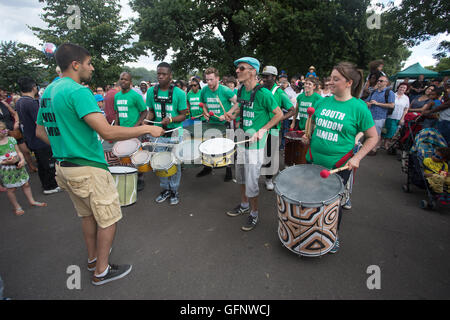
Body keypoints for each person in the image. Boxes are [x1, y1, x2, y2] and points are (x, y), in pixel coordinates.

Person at [35, 43, 164, 286]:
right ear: (75, 65)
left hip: (64, 168)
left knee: (87, 216)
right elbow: (107, 133)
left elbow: (40, 131)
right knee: (109, 218)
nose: (92, 68)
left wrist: (66, 146)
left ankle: (94, 259)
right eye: (89, 63)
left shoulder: (49, 91)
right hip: (88, 168)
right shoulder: (78, 91)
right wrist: (148, 128)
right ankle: (101, 272)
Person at [305, 62, 378, 253]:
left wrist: (358, 158)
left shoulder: (359, 107)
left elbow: (373, 137)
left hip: (337, 166)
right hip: (312, 161)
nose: (330, 82)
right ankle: (309, 232)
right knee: (310, 199)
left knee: (331, 206)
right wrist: (308, 136)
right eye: (330, 78)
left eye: (336, 79)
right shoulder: (322, 102)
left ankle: (332, 236)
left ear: (349, 83)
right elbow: (315, 127)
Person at [225, 57, 283, 231]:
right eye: (237, 68)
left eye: (241, 68)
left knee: (252, 182)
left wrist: (263, 129)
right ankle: (244, 205)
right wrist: (231, 114)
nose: (237, 71)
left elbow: (279, 114)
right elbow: (242, 108)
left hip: (256, 147)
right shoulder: (242, 90)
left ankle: (254, 213)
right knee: (241, 177)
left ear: (252, 71)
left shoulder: (264, 93)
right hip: (242, 140)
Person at [146, 62, 188, 205]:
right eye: (159, 73)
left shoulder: (180, 93)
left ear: (170, 76)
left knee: (174, 164)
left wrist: (170, 119)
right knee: (160, 162)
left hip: (175, 133)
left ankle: (174, 190)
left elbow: (184, 115)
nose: (160, 76)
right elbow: (151, 111)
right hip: (158, 133)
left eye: (164, 74)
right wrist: (146, 121)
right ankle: (165, 189)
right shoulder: (151, 91)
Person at [16, 77, 60, 195]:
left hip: (31, 138)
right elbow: (40, 121)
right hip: (40, 139)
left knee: (41, 163)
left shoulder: (20, 101)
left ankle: (47, 184)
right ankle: (50, 186)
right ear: (33, 87)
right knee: (48, 164)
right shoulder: (31, 103)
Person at [197, 67, 239, 181]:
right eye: (207, 80)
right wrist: (205, 113)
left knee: (226, 148)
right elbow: (203, 104)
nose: (209, 82)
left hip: (225, 124)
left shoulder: (225, 90)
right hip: (211, 123)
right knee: (208, 146)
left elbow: (238, 102)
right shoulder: (204, 90)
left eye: (211, 79)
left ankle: (228, 171)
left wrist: (227, 114)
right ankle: (207, 167)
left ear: (217, 78)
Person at [0, 121, 47, 215]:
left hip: (18, 166)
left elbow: (19, 152)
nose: (5, 131)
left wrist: (22, 160)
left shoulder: (11, 140)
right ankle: (17, 206)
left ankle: (32, 201)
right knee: (11, 189)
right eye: (2, 130)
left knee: (26, 184)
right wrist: (6, 162)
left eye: (5, 129)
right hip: (7, 170)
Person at [260, 65, 295, 190]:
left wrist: (280, 118)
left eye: (267, 76)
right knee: (256, 153)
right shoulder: (259, 90)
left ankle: (269, 179)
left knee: (269, 154)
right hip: (258, 127)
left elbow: (292, 110)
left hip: (273, 129)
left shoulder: (280, 93)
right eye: (263, 76)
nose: (264, 79)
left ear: (274, 77)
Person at [114, 71, 148, 190]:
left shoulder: (135, 96)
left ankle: (140, 178)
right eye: (121, 79)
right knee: (124, 154)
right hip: (121, 131)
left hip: (134, 131)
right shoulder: (117, 96)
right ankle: (128, 175)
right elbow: (117, 112)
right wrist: (116, 125)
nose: (123, 81)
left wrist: (136, 125)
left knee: (136, 155)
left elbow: (144, 112)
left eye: (126, 79)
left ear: (130, 82)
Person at [365, 75, 395, 155]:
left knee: (377, 133)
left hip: (380, 116)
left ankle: (374, 149)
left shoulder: (389, 93)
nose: (378, 82)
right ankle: (368, 147)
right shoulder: (374, 92)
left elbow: (392, 105)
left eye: (381, 81)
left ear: (386, 83)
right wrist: (368, 103)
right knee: (369, 132)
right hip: (370, 115)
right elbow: (367, 101)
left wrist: (377, 103)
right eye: (378, 80)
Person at [382, 82, 410, 150]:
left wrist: (402, 118)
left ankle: (386, 144)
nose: (402, 89)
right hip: (389, 116)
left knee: (393, 131)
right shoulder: (392, 95)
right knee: (385, 130)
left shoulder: (406, 98)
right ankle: (382, 144)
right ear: (398, 87)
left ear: (406, 90)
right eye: (401, 87)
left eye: (404, 88)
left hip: (398, 117)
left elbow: (406, 109)